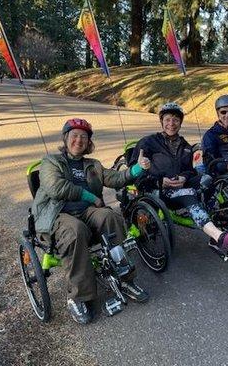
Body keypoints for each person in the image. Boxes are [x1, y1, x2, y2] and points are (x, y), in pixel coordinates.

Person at [32, 118, 151, 324]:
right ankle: (79, 297)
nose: (79, 140)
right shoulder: (50, 162)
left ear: (88, 143)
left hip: (87, 212)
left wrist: (136, 170)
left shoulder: (92, 164)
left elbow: (114, 178)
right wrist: (90, 197)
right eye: (74, 136)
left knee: (110, 217)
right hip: (57, 214)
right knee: (76, 230)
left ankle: (125, 279)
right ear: (65, 138)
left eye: (84, 137)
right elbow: (55, 188)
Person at [129, 102, 228, 255]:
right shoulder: (149, 142)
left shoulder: (184, 146)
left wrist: (183, 177)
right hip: (157, 189)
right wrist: (157, 179)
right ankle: (220, 238)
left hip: (179, 185)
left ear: (180, 122)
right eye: (167, 120)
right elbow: (134, 170)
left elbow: (190, 171)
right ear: (162, 121)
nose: (171, 124)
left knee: (207, 180)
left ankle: (220, 223)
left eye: (175, 120)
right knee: (188, 195)